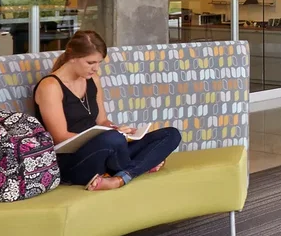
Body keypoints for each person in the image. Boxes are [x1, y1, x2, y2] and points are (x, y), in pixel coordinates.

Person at [34, 30, 181, 191]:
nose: (96, 68)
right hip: (73, 162)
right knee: (114, 139)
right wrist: (110, 136)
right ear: (72, 56)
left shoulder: (92, 79)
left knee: (171, 134)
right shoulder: (50, 87)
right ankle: (142, 164)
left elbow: (102, 121)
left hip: (105, 150)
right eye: (90, 63)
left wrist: (120, 131)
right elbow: (60, 138)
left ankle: (119, 178)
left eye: (99, 62)